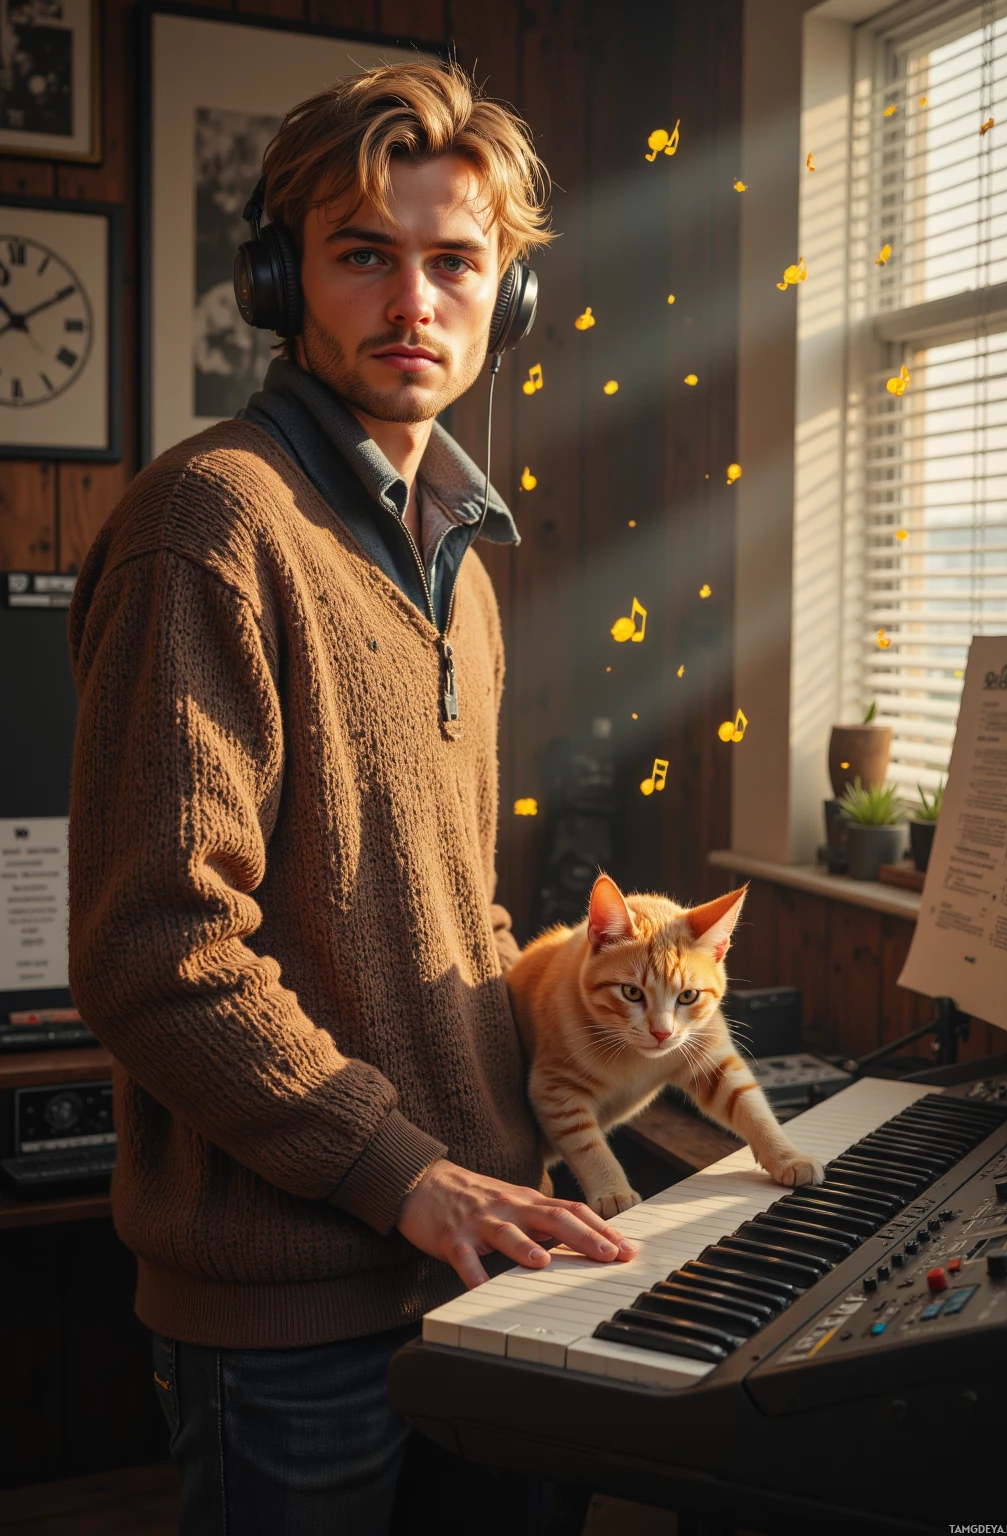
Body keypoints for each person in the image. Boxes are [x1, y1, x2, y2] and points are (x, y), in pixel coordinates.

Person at [68, 61, 636, 1535]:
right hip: (293, 1314)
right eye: (363, 254)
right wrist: (406, 1176)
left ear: (503, 298)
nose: (412, 304)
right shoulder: (210, 524)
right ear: (283, 279)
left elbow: (459, 910)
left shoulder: (467, 562)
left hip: (487, 1259)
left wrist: (603, 1053)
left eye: (454, 263)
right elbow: (160, 957)